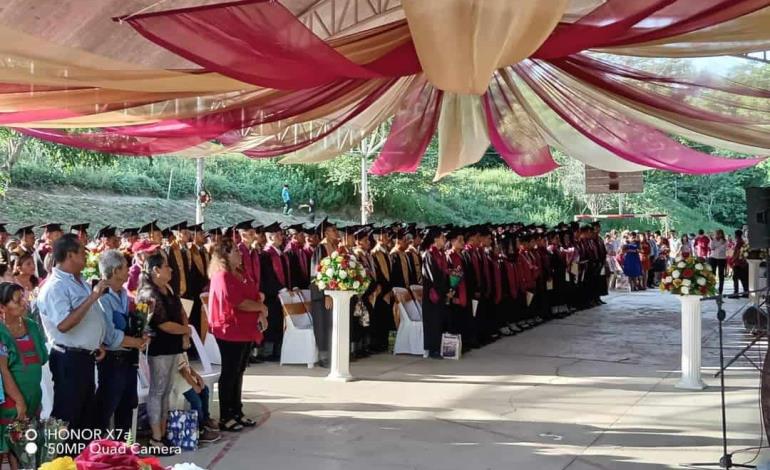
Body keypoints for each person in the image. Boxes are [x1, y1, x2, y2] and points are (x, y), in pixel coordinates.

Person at [36, 233, 109, 443]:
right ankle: (60, 462)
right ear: (70, 255)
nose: (86, 257)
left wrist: (97, 342)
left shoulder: (79, 281)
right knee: (67, 418)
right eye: (82, 253)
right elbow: (64, 324)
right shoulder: (55, 287)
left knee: (86, 419)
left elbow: (89, 317)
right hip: (68, 359)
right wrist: (93, 296)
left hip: (85, 357)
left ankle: (80, 462)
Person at [207, 238, 267, 432]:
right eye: (235, 251)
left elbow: (254, 294)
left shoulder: (240, 273)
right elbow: (237, 302)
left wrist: (260, 311)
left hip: (245, 328)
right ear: (224, 255)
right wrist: (261, 307)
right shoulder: (222, 276)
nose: (240, 254)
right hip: (230, 329)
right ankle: (226, 414)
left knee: (239, 370)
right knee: (230, 372)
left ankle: (236, 411)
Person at [136, 253, 190, 451]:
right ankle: (156, 436)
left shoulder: (166, 288)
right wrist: (186, 331)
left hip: (173, 344)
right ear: (156, 270)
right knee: (157, 390)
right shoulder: (149, 293)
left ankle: (164, 430)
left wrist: (185, 333)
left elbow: (181, 311)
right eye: (166, 266)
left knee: (167, 389)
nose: (171, 269)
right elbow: (163, 324)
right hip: (159, 346)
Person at [93, 250, 148, 436]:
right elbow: (109, 335)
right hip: (112, 360)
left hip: (128, 358)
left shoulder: (122, 293)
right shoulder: (102, 296)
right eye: (125, 267)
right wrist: (135, 341)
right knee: (106, 408)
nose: (129, 271)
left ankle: (124, 453)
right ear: (115, 271)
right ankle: (101, 453)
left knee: (127, 406)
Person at [0, 282, 49, 468]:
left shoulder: (32, 326)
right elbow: (3, 370)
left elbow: (42, 358)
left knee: (25, 450)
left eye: (23, 297)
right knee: (9, 446)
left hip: (33, 397)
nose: (23, 302)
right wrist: (19, 401)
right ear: (2, 307)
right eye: (17, 300)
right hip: (12, 402)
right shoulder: (1, 332)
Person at [172, 352, 220, 443]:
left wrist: (198, 377)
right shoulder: (177, 352)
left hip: (188, 379)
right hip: (180, 382)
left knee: (204, 390)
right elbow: (183, 372)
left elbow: (188, 366)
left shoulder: (183, 350)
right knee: (196, 401)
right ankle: (199, 429)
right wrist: (194, 385)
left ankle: (205, 418)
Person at [421, 229, 450, 359]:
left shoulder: (441, 254)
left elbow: (444, 273)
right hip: (432, 294)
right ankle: (432, 349)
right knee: (432, 321)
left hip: (441, 292)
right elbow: (431, 276)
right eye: (442, 237)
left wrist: (448, 289)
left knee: (439, 320)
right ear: (435, 239)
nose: (444, 240)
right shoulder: (429, 254)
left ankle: (438, 347)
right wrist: (442, 290)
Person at [708, 229, 728, 296]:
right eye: (716, 234)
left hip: (721, 258)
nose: (718, 235)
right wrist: (712, 240)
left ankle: (720, 290)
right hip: (713, 258)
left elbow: (723, 249)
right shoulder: (713, 240)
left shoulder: (725, 241)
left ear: (722, 234)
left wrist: (716, 247)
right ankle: (712, 289)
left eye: (719, 234)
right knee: (712, 274)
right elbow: (711, 248)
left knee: (721, 274)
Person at [731, 230, 749, 297]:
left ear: (736, 235)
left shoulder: (739, 242)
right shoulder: (742, 241)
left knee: (735, 278)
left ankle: (736, 293)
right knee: (743, 278)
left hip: (738, 263)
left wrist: (733, 259)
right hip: (742, 263)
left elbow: (738, 252)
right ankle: (745, 292)